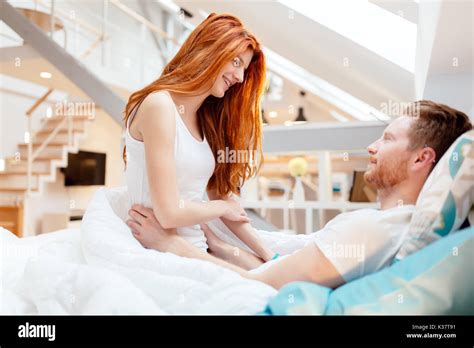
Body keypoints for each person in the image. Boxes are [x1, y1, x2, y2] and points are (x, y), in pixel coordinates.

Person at [127, 100, 472, 289]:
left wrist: (171, 245)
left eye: (388, 139)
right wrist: (228, 248)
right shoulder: (384, 223)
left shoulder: (373, 229)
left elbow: (257, 282)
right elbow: (282, 268)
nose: (372, 146)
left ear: (422, 158)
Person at [123, 13, 275, 261]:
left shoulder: (205, 120)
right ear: (209, 51)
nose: (239, 77)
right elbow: (169, 213)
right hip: (159, 252)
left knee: (277, 275)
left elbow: (226, 203)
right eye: (236, 62)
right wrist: (222, 208)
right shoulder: (160, 105)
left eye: (244, 69)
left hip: (197, 248)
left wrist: (270, 257)